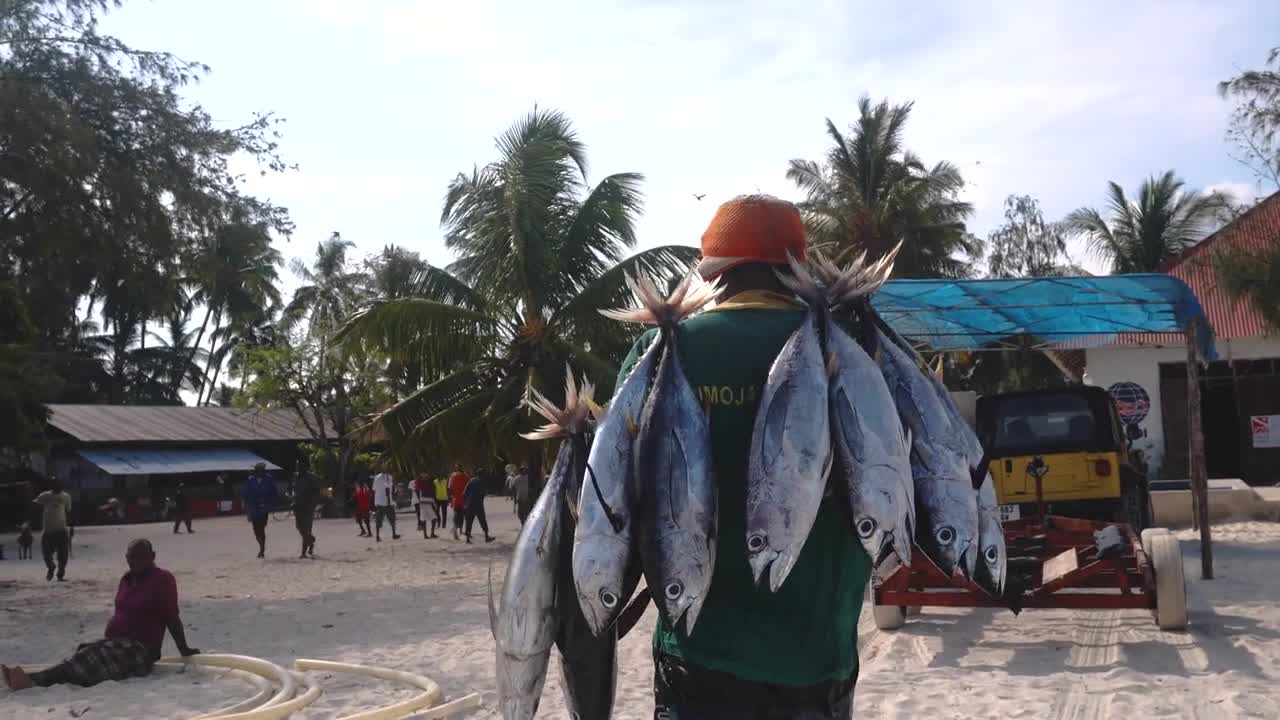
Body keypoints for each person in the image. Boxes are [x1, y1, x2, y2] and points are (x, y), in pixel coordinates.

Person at [618, 196, 871, 719]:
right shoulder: (851, 346)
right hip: (816, 659)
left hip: (697, 652)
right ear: (796, 267)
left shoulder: (658, 348)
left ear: (714, 272)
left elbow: (609, 495)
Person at [2, 538, 200, 691]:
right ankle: (32, 678)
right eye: (131, 556)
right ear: (126, 558)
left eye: (141, 556)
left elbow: (171, 617)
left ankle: (32, 681)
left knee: (85, 662)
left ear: (153, 556)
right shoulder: (127, 579)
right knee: (82, 655)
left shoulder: (162, 579)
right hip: (116, 643)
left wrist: (184, 649)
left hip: (140, 650)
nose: (135, 561)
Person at [34, 479, 72, 581]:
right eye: (54, 484)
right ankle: (51, 567)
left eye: (59, 484)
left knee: (63, 554)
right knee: (46, 553)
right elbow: (35, 505)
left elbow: (69, 512)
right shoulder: (45, 495)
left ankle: (60, 573)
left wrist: (71, 527)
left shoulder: (66, 496)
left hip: (62, 529)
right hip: (48, 530)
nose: (57, 486)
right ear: (51, 485)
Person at [242, 462, 278, 559]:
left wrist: (272, 503)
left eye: (261, 470)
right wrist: (246, 507)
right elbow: (245, 494)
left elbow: (274, 493)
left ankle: (262, 549)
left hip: (264, 508)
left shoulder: (269, 479)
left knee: (261, 529)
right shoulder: (250, 480)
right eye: (257, 470)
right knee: (256, 531)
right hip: (253, 509)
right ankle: (261, 546)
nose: (259, 472)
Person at [293, 470, 320, 559]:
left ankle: (303, 553)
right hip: (298, 507)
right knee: (300, 528)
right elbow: (292, 489)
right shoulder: (296, 477)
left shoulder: (311, 477)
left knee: (306, 529)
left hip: (308, 507)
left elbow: (316, 491)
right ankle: (311, 541)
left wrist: (313, 504)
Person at [462, 471, 494, 543]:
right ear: (482, 474)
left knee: (469, 522)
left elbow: (464, 493)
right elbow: (483, 492)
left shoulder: (470, 480)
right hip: (478, 505)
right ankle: (486, 537)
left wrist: (465, 503)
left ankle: (467, 539)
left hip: (469, 505)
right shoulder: (482, 481)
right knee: (482, 521)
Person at [372, 469, 400, 542]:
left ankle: (378, 536)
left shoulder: (377, 477)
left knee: (379, 520)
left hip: (380, 502)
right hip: (386, 502)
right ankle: (394, 534)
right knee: (392, 519)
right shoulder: (388, 477)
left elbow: (374, 489)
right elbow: (388, 490)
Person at [448, 465, 468, 541]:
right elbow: (468, 488)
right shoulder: (466, 476)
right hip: (464, 500)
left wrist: (450, 499)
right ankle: (460, 530)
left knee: (456, 515)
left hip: (455, 499)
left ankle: (456, 531)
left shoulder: (452, 476)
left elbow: (449, 488)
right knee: (462, 516)